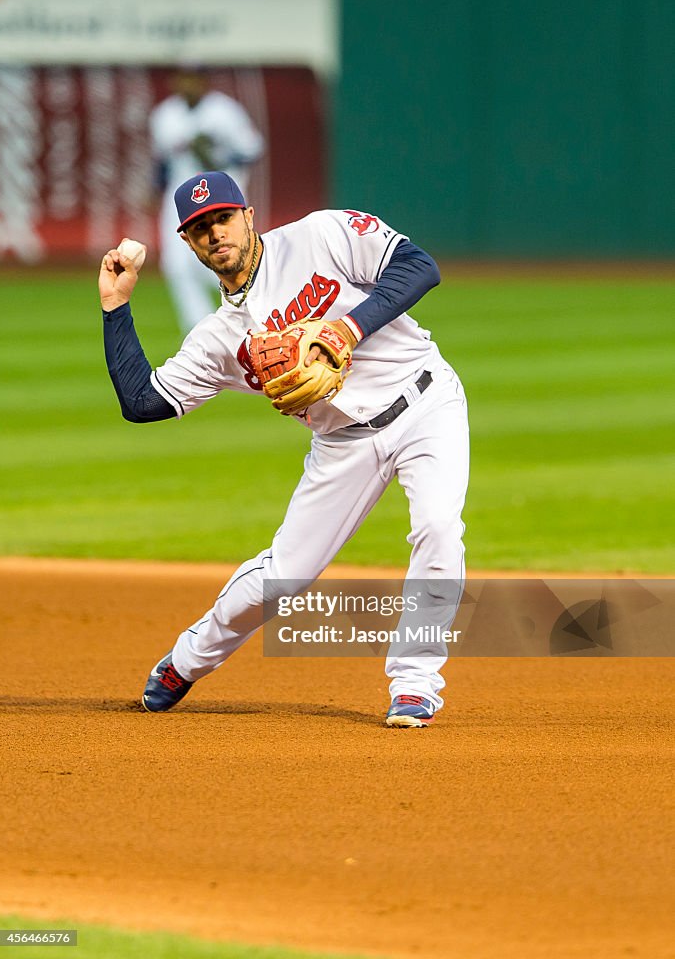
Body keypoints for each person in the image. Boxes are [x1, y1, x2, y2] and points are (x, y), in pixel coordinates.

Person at [99, 171, 470, 728]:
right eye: (200, 229)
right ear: (188, 243)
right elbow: (142, 400)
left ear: (249, 216)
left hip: (424, 401)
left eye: (223, 218)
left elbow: (419, 268)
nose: (215, 234)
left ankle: (415, 685)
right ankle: (187, 660)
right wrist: (115, 307)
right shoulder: (219, 338)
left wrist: (346, 330)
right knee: (284, 579)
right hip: (340, 445)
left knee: (438, 527)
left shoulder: (321, 235)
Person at [149, 67, 264, 333]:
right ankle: (200, 332)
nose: (188, 82)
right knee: (177, 264)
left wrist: (216, 152)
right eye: (183, 77)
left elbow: (252, 151)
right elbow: (162, 161)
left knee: (231, 258)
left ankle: (256, 314)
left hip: (221, 196)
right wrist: (155, 188)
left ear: (203, 81)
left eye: (193, 77)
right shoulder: (165, 115)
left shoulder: (225, 111)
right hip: (180, 197)